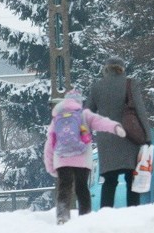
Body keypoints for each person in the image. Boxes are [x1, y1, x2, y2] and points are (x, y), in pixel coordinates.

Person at [43, 89, 126, 224]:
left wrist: (50, 166)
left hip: (62, 159)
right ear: (80, 101)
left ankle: (62, 216)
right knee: (82, 187)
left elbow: (49, 144)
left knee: (64, 187)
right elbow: (101, 122)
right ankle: (85, 217)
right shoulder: (84, 115)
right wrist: (116, 127)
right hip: (82, 159)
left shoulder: (57, 118)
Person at [86, 56, 152, 209]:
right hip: (129, 136)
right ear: (122, 69)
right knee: (131, 178)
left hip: (106, 139)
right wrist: (147, 136)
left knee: (109, 180)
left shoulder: (97, 87)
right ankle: (132, 211)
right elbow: (140, 111)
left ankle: (105, 213)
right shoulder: (130, 84)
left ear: (106, 69)